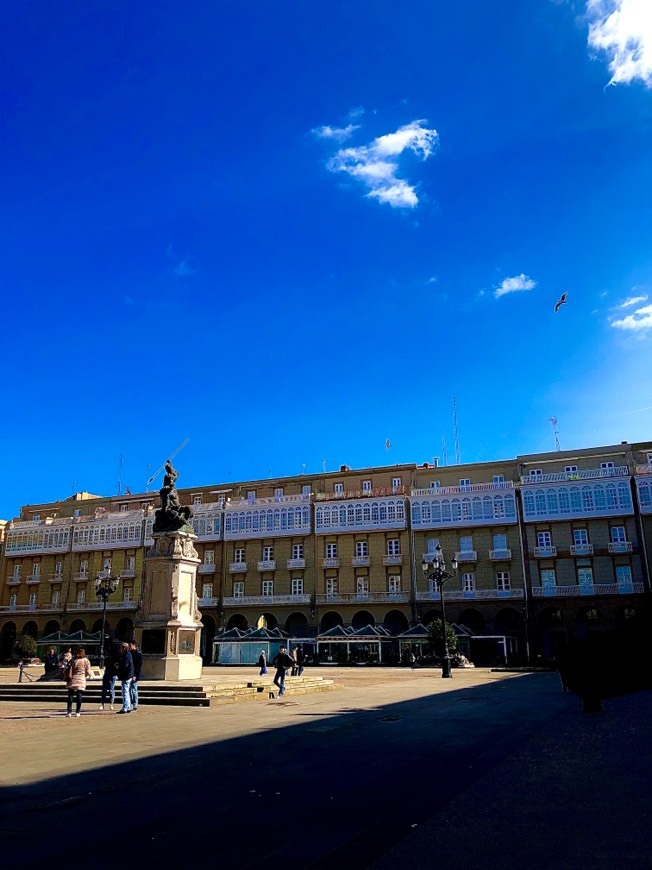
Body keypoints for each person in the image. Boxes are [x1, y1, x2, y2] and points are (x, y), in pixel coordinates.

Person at [65, 647, 92, 717]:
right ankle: (77, 711)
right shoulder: (86, 660)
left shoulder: (73, 660)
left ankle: (69, 711)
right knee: (79, 695)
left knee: (70, 695)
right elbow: (88, 671)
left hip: (72, 678)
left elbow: (67, 668)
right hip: (81, 678)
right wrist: (88, 675)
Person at [100, 639, 119, 711]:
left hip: (112, 673)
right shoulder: (108, 656)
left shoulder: (115, 655)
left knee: (111, 689)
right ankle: (102, 704)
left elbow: (117, 665)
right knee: (105, 689)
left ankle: (111, 704)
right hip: (107, 672)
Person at [117, 642, 134, 714]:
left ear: (124, 648)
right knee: (126, 691)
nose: (120, 649)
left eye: (121, 647)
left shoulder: (126, 655)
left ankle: (125, 707)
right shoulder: (128, 654)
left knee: (125, 691)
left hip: (126, 675)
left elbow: (125, 665)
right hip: (128, 675)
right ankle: (128, 706)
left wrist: (118, 666)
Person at [129, 641, 143, 711]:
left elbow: (138, 666)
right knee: (129, 690)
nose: (129, 647)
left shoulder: (138, 653)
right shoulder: (130, 652)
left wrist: (135, 675)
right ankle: (130, 704)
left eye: (130, 645)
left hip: (134, 674)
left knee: (134, 689)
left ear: (133, 645)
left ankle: (135, 704)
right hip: (129, 674)